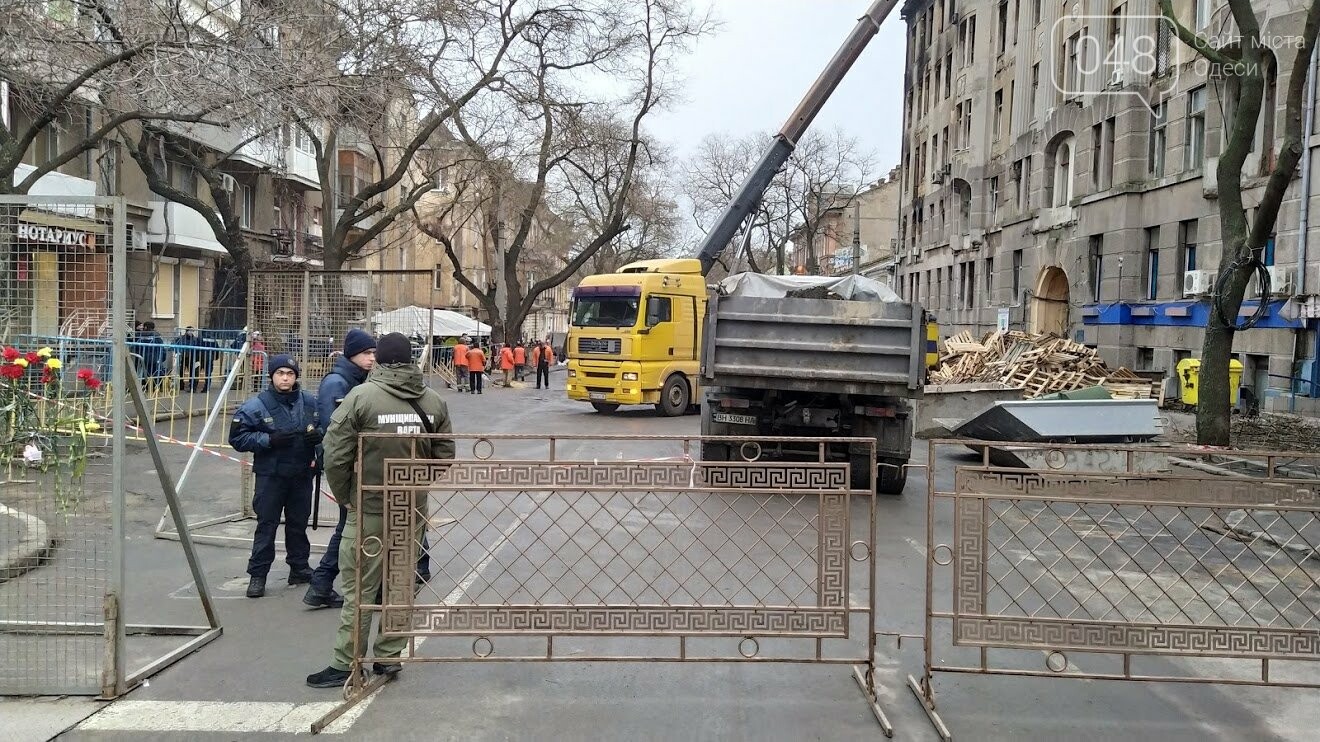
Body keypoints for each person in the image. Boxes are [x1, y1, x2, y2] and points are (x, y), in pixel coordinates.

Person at [306, 333, 453, 688]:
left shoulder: (361, 397)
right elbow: (444, 455)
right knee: (401, 584)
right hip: (411, 510)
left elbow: (335, 452)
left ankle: (346, 662)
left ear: (382, 362)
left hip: (369, 507)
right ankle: (388, 657)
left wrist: (346, 496)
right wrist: (416, 485)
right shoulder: (433, 401)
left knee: (360, 586)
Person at [228, 355, 322, 598]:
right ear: (271, 376)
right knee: (266, 525)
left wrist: (318, 438)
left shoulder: (310, 402)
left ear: (295, 377)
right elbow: (237, 438)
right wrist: (268, 440)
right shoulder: (256, 406)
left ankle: (299, 567)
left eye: (290, 374)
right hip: (271, 475)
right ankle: (258, 575)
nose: (285, 378)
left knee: (298, 523)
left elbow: (325, 428)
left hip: (301, 474)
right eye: (280, 373)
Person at [302, 330, 375, 609]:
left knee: (351, 525)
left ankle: (322, 584)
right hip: (346, 466)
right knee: (348, 525)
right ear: (352, 354)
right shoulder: (337, 382)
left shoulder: (353, 379)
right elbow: (338, 431)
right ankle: (320, 584)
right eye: (367, 353)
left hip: (352, 463)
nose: (372, 358)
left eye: (373, 353)